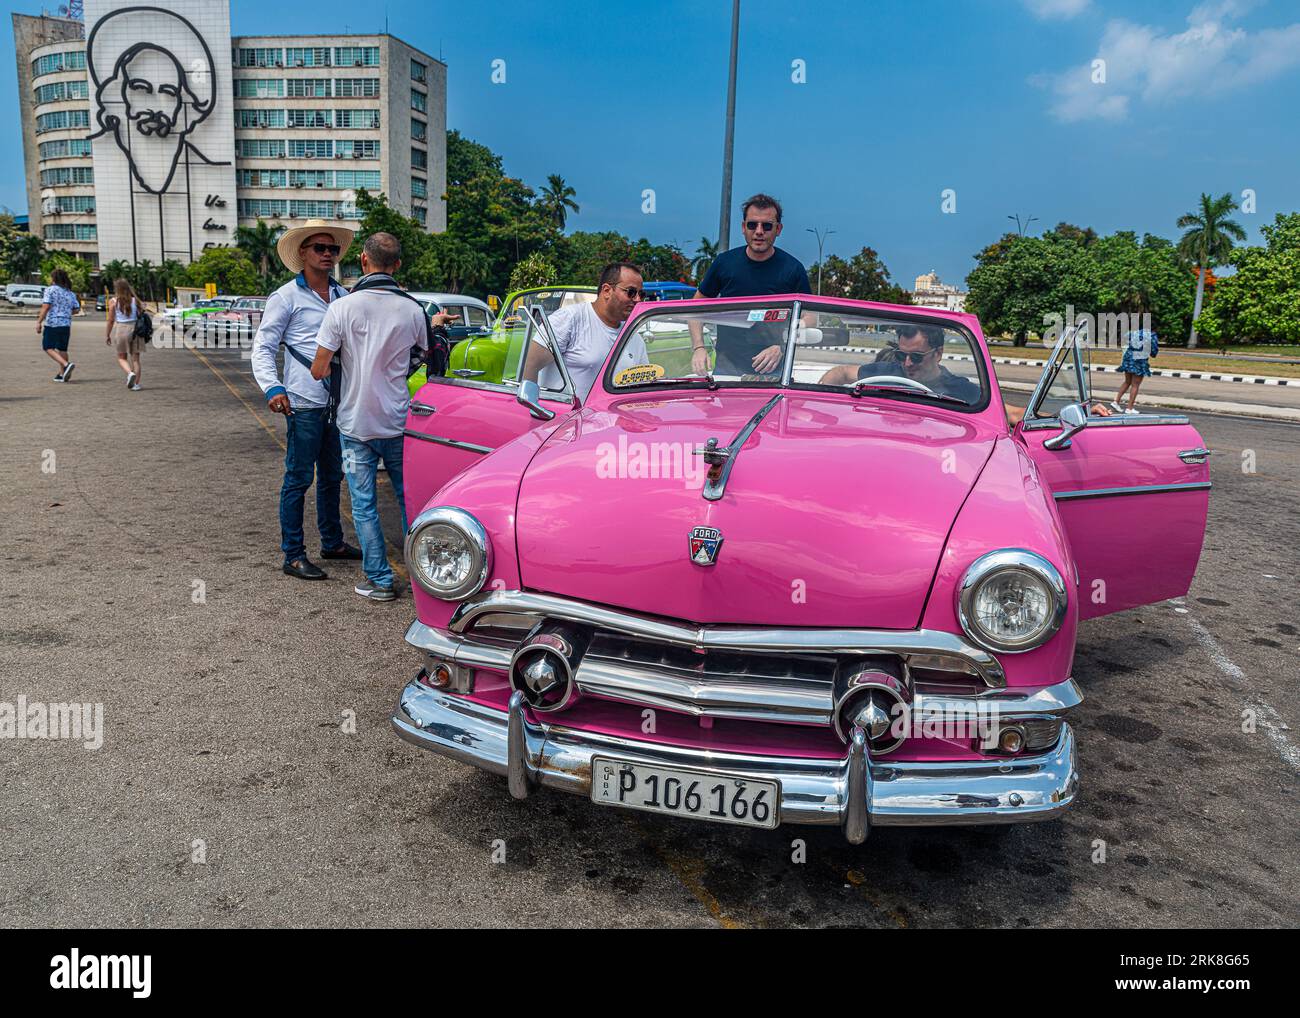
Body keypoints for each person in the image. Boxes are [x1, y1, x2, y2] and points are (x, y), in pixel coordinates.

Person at [311, 232, 453, 602]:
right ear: (398, 265)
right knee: (411, 501)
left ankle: (380, 580)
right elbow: (424, 355)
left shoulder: (341, 308)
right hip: (398, 421)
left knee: (364, 504)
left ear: (363, 261)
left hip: (355, 422)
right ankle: (428, 581)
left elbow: (318, 368)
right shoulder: (412, 310)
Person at [250, 218, 361, 582]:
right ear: (302, 253)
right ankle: (293, 554)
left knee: (333, 475)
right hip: (303, 400)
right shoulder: (286, 297)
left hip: (339, 401)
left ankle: (332, 541)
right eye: (320, 248)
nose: (328, 254)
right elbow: (263, 347)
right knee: (298, 478)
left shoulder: (344, 297)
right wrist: (272, 387)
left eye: (333, 249)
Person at [691, 194, 812, 375]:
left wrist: (782, 346)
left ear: (778, 229)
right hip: (726, 369)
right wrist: (698, 348)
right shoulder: (724, 263)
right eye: (752, 224)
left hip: (774, 373)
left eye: (767, 226)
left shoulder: (793, 269)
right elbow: (695, 308)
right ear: (743, 227)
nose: (759, 231)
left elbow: (810, 317)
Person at [521, 262, 646, 399]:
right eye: (631, 292)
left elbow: (643, 384)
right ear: (607, 291)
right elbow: (530, 366)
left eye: (641, 294)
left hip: (614, 419)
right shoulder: (568, 320)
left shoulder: (634, 337)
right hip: (566, 418)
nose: (638, 300)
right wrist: (535, 409)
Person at [818, 323, 982, 402]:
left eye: (917, 356)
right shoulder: (885, 372)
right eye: (901, 355)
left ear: (938, 354)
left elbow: (1005, 412)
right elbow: (842, 372)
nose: (908, 363)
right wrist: (820, 403)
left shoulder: (959, 388)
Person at [38, 268, 80, 381]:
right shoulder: (70, 293)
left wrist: (39, 322)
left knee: (48, 347)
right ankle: (62, 375)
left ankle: (66, 365)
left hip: (52, 323)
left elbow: (46, 306)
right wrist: (65, 312)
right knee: (62, 349)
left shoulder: (50, 290)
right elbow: (76, 309)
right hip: (66, 323)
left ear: (54, 278)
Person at [105, 278, 147, 390]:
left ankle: (129, 373)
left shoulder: (113, 301)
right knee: (136, 360)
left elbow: (110, 320)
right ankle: (136, 384)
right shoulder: (135, 301)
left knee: (121, 357)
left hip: (121, 330)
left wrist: (107, 334)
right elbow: (142, 311)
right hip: (136, 330)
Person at [1113, 328, 1158, 414]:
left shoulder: (1134, 332)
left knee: (1127, 381)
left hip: (1128, 358)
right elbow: (1153, 352)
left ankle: (1116, 401)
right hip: (1139, 361)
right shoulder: (1152, 335)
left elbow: (1125, 337)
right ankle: (1129, 408)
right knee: (1135, 385)